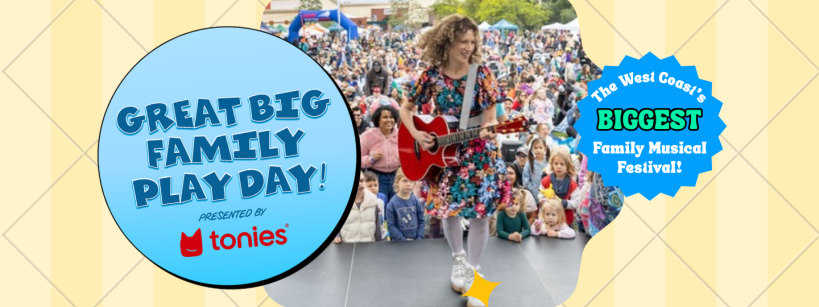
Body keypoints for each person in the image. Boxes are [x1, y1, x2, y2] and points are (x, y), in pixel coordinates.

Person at [402, 15, 510, 307]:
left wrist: (488, 132)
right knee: (446, 211)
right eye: (463, 41)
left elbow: (490, 121)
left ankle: (474, 274)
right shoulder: (431, 76)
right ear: (447, 41)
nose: (469, 46)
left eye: (472, 41)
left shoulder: (482, 73)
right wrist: (417, 134)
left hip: (477, 153)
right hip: (441, 155)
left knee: (480, 213)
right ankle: (459, 260)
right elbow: (406, 108)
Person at [360, 106, 400, 201]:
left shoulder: (400, 134)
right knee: (379, 208)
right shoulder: (367, 136)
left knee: (396, 209)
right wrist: (371, 159)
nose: (389, 120)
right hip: (376, 179)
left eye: (391, 117)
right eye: (385, 117)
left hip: (397, 177)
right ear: (378, 120)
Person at [334, 171, 383, 243]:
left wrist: (379, 246)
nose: (360, 184)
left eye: (362, 181)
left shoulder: (373, 201)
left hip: (369, 247)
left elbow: (378, 228)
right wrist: (336, 236)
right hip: (347, 248)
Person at [540, 149, 580, 226]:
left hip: (565, 222)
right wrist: (545, 200)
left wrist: (561, 202)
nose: (558, 166)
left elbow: (576, 203)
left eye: (562, 164)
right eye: (556, 163)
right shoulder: (545, 181)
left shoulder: (573, 185)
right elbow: (540, 195)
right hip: (547, 221)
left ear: (568, 166)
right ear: (552, 165)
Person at [386, 168, 426, 241]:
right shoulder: (392, 203)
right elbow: (391, 226)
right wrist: (403, 239)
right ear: (397, 182)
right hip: (399, 243)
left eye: (411, 181)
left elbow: (422, 221)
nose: (408, 184)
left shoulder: (416, 200)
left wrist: (419, 237)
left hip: (416, 242)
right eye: (405, 181)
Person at [364, 171, 389, 240]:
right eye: (370, 186)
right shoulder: (363, 200)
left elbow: (386, 214)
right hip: (369, 235)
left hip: (382, 233)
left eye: (375, 185)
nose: (373, 188)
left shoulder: (382, 197)